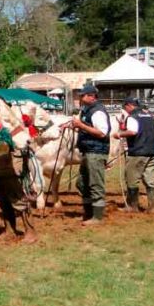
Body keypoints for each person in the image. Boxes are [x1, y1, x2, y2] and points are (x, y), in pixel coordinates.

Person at [61, 84, 110, 226]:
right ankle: (88, 213)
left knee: (95, 184)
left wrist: (81, 125)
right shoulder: (88, 110)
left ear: (91, 96)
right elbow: (87, 129)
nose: (80, 98)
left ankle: (97, 217)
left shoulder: (98, 112)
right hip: (88, 151)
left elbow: (101, 132)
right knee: (82, 183)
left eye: (82, 96)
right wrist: (72, 125)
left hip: (96, 152)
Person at [0, 135, 37, 242]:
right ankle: (10, 230)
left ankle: (30, 232)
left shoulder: (11, 122)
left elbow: (22, 141)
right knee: (3, 201)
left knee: (19, 200)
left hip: (12, 167)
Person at [115, 98, 154, 212]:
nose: (126, 110)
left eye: (125, 107)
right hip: (152, 152)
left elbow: (132, 131)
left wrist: (119, 134)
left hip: (138, 152)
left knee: (131, 178)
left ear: (129, 106)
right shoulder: (150, 116)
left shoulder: (133, 117)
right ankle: (152, 206)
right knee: (149, 178)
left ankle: (132, 206)